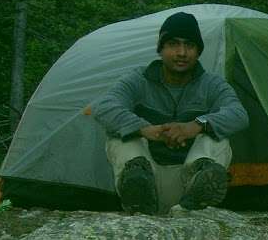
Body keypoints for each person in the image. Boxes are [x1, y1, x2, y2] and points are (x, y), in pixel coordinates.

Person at [93, 11, 249, 214]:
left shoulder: (211, 84)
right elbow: (103, 107)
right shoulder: (139, 79)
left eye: (190, 45)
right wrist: (144, 128)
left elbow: (238, 114)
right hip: (149, 178)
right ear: (161, 49)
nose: (182, 53)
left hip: (187, 181)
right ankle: (139, 193)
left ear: (198, 51)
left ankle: (198, 190)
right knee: (121, 136)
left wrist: (196, 125)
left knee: (218, 137)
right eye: (174, 44)